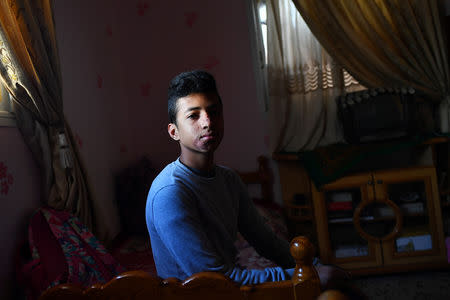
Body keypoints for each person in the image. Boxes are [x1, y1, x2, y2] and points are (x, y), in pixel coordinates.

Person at [145, 70, 349, 287]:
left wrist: (313, 266)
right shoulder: (170, 192)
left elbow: (267, 242)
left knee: (338, 287)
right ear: (174, 131)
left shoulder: (229, 180)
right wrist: (305, 276)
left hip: (230, 291)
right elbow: (217, 282)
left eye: (214, 112)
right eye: (193, 115)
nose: (207, 122)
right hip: (206, 294)